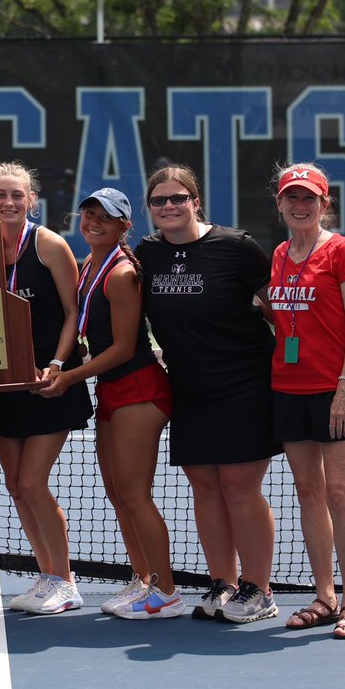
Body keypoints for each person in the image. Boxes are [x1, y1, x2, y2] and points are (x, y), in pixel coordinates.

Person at [136, 165, 281, 622]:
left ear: (196, 202)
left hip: (245, 384)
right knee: (204, 487)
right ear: (150, 208)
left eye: (178, 198)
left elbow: (280, 311)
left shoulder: (236, 247)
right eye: (159, 200)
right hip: (188, 387)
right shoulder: (147, 254)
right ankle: (223, 583)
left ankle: (259, 589)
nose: (169, 206)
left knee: (239, 487)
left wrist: (303, 364)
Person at [41, 187, 183, 620]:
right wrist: (58, 362)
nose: (94, 222)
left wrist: (69, 377)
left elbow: (123, 348)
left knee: (135, 496)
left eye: (106, 216)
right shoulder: (88, 265)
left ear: (125, 225)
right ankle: (144, 579)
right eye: (89, 214)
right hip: (112, 390)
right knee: (119, 494)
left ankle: (166, 592)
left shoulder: (121, 274)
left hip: (139, 389)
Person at [0, 162, 93, 615]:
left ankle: (65, 580)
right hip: (5, 384)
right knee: (16, 485)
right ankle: (49, 576)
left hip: (50, 383)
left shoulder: (48, 244)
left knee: (32, 481)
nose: (9, 202)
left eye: (17, 195)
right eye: (1, 195)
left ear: (32, 200)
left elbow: (72, 312)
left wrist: (56, 366)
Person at [269, 162, 345, 640]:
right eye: (292, 197)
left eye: (309, 197)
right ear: (280, 204)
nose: (300, 205)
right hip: (288, 389)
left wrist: (344, 388)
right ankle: (324, 596)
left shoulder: (343, 251)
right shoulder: (279, 255)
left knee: (339, 493)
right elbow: (284, 315)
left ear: (324, 203)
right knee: (308, 493)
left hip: (338, 390)